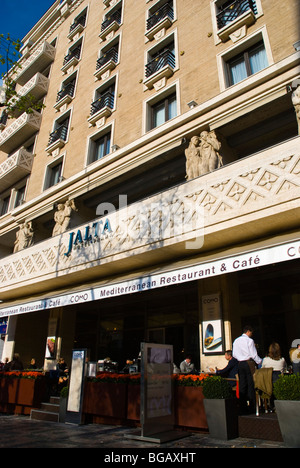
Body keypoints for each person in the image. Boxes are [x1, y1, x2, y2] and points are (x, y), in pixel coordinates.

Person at [233, 326, 262, 414]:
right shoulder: (249, 341)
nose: (252, 335)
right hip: (248, 362)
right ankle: (252, 407)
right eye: (251, 333)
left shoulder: (236, 340)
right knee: (250, 384)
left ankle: (243, 407)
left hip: (240, 363)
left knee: (242, 385)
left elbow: (234, 354)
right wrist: (260, 361)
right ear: (248, 332)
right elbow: (253, 354)